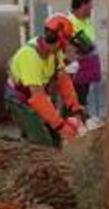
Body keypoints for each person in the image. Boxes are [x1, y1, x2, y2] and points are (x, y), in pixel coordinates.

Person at [5, 14, 86, 147]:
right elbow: (37, 98)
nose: (65, 48)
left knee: (55, 139)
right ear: (59, 40)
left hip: (38, 97)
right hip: (19, 100)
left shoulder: (55, 53)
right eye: (65, 42)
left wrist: (75, 109)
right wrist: (61, 127)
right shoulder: (29, 56)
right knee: (42, 141)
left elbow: (64, 81)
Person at [65, 0, 101, 111]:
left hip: (88, 71)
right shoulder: (68, 23)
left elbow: (90, 44)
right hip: (75, 72)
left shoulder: (86, 21)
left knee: (85, 102)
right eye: (90, 6)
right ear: (83, 5)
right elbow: (73, 47)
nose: (92, 8)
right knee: (76, 103)